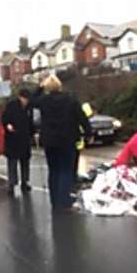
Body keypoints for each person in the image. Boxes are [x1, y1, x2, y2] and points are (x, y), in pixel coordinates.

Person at [31, 75, 92, 212]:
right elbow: (81, 116)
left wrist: (39, 87)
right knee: (66, 170)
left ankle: (55, 201)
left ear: (47, 88)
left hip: (50, 141)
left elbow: (31, 101)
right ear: (60, 86)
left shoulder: (44, 101)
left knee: (54, 171)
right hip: (67, 139)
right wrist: (88, 133)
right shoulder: (70, 100)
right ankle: (64, 202)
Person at [1, 88, 33, 196]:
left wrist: (33, 132)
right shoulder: (12, 105)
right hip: (13, 138)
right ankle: (12, 184)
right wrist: (8, 125)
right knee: (12, 162)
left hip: (24, 138)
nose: (26, 101)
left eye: (27, 99)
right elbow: (4, 118)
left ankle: (25, 182)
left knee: (25, 162)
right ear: (20, 97)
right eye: (24, 99)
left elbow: (30, 122)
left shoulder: (29, 108)